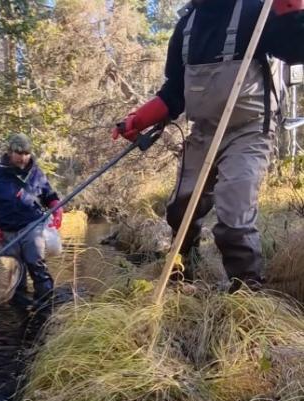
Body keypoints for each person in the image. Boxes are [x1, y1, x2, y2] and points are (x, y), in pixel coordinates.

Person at [113, 0, 304, 292]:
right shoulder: (186, 27)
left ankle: (246, 292)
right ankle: (184, 264)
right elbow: (175, 92)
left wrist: (290, 9)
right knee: (180, 208)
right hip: (203, 132)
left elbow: (296, 49)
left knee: (233, 213)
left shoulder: (257, 10)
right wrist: (139, 119)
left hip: (249, 131)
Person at [0, 133, 62, 304]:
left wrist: (57, 210)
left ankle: (46, 304)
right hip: (6, 229)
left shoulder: (37, 173)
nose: (23, 158)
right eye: (19, 153)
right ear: (9, 152)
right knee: (14, 271)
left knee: (36, 263)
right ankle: (20, 309)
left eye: (26, 153)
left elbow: (50, 196)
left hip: (32, 226)